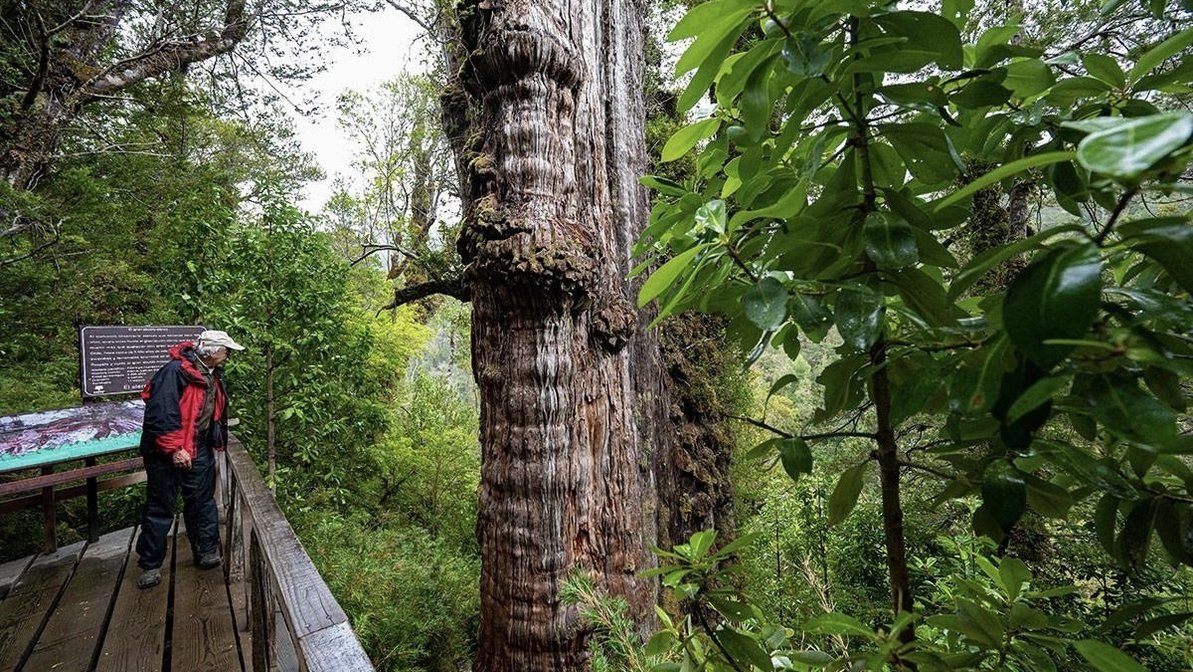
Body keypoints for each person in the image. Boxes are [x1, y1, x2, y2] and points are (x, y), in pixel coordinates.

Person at [135, 329, 244, 589]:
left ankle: (206, 550)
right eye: (224, 350)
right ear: (210, 351)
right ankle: (150, 565)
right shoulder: (174, 373)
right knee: (161, 506)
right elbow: (161, 413)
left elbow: (210, 412)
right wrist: (175, 449)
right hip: (166, 452)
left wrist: (214, 439)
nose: (227, 355)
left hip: (199, 447)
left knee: (201, 501)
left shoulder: (211, 374)